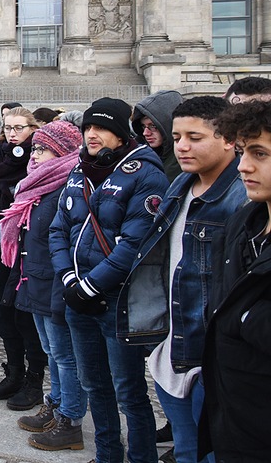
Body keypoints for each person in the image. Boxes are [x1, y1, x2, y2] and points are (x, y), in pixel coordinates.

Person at [119, 97, 244, 463]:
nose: (182, 146)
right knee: (187, 451)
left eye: (195, 137)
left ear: (228, 140)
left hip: (211, 355)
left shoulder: (242, 197)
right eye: (177, 137)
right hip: (171, 349)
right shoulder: (178, 187)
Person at [50, 97, 165, 463]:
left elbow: (134, 244)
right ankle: (107, 455)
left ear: (120, 134)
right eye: (87, 128)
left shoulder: (146, 173)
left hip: (118, 302)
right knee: (94, 386)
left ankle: (141, 457)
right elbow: (58, 230)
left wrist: (89, 286)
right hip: (78, 298)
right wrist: (70, 279)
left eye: (100, 128)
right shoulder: (79, 170)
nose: (91, 135)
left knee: (128, 391)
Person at [0, 120, 87, 451]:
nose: (34, 155)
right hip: (33, 275)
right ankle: (57, 403)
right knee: (52, 351)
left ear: (62, 151)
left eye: (42, 148)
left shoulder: (67, 185)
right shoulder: (37, 183)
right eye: (34, 148)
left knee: (64, 354)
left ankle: (71, 420)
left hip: (53, 279)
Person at [200, 100, 271, 462]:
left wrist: (242, 316)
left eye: (259, 154)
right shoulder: (244, 220)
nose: (243, 166)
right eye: (243, 152)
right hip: (231, 409)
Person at [0, 107, 47, 405]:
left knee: (25, 315)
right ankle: (14, 372)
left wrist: (13, 226)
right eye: (7, 127)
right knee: (1, 311)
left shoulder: (40, 160)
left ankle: (34, 380)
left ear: (32, 128)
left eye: (19, 127)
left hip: (27, 246)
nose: (12, 133)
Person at [131, 90, 184, 184]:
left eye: (153, 126)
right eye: (143, 126)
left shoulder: (184, 158)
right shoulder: (140, 153)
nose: (145, 133)